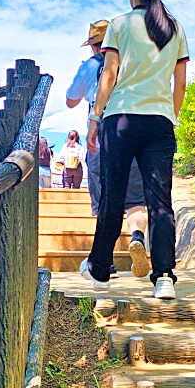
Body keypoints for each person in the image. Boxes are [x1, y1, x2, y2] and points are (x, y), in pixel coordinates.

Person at [82, 0, 189, 300]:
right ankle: (164, 277)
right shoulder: (175, 28)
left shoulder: (119, 25)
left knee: (114, 195)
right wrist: (170, 115)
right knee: (159, 202)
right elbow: (180, 83)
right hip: (159, 121)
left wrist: (94, 118)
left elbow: (109, 75)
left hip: (121, 119)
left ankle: (100, 271)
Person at [66, 19, 152, 277]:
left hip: (102, 133)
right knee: (136, 200)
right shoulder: (131, 64)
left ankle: (107, 262)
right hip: (132, 128)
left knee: (107, 200)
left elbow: (70, 101)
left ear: (93, 46)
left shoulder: (89, 66)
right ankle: (137, 236)